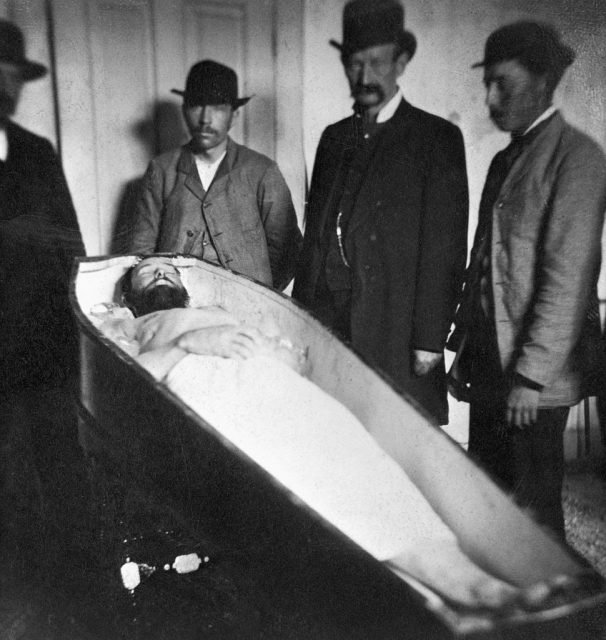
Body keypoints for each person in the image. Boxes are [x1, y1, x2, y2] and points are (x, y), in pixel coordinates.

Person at [447, 21, 606, 539]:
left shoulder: (577, 158)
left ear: (542, 82)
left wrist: (530, 380)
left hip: (534, 381)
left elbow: (568, 281)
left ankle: (555, 613)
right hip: (492, 367)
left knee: (533, 517)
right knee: (489, 500)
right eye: (487, 84)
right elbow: (484, 265)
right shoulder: (503, 159)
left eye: (504, 84)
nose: (491, 98)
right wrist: (465, 353)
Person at [292, 0, 468, 425]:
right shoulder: (334, 139)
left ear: (401, 61)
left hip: (396, 326)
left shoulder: (435, 139)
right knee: (335, 434)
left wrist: (429, 337)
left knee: (397, 443)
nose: (364, 77)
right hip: (331, 323)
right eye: (354, 64)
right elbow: (316, 235)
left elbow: (444, 248)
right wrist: (300, 320)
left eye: (376, 62)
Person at [0, 20, 85, 568]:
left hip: (43, 347)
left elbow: (70, 247)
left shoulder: (37, 152)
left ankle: (75, 584)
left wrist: (75, 332)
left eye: (13, 75)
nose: (6, 86)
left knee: (62, 475)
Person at [128, 60, 302, 291]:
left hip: (246, 309)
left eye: (218, 107)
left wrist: (259, 295)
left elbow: (288, 252)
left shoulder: (262, 171)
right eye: (196, 105)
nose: (205, 119)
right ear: (184, 110)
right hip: (178, 306)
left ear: (235, 114)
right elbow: (141, 251)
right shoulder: (161, 170)